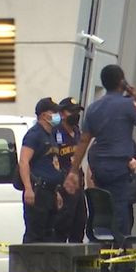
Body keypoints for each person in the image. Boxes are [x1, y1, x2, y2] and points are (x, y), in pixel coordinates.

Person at [64, 65, 136, 241]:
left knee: (103, 210)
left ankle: (103, 252)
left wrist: (74, 170)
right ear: (122, 82)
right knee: (120, 213)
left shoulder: (93, 108)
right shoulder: (128, 105)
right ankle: (121, 260)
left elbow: (84, 141)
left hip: (99, 168)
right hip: (119, 168)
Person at [19, 98, 66, 243]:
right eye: (54, 112)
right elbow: (23, 161)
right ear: (45, 115)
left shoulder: (50, 135)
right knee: (35, 235)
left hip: (50, 192)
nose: (58, 115)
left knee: (49, 235)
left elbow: (52, 164)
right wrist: (28, 188)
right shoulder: (34, 135)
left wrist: (56, 191)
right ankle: (29, 266)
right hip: (38, 191)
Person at [54, 96, 86, 243]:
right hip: (63, 185)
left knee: (79, 224)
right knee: (61, 227)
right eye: (71, 112)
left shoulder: (78, 132)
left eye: (77, 111)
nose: (75, 115)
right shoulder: (56, 133)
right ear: (62, 114)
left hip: (78, 186)